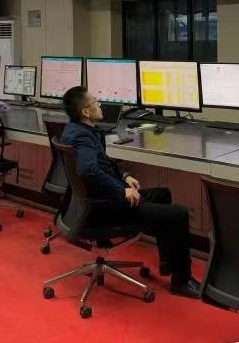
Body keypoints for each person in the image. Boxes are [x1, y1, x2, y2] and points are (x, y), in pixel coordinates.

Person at [59, 86, 200, 298]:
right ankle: (182, 281)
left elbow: (102, 163)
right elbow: (88, 170)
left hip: (92, 203)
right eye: (95, 101)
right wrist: (122, 191)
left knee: (162, 194)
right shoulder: (83, 136)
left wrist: (124, 176)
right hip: (103, 208)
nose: (100, 104)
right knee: (179, 214)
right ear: (85, 112)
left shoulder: (78, 130)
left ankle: (168, 262)